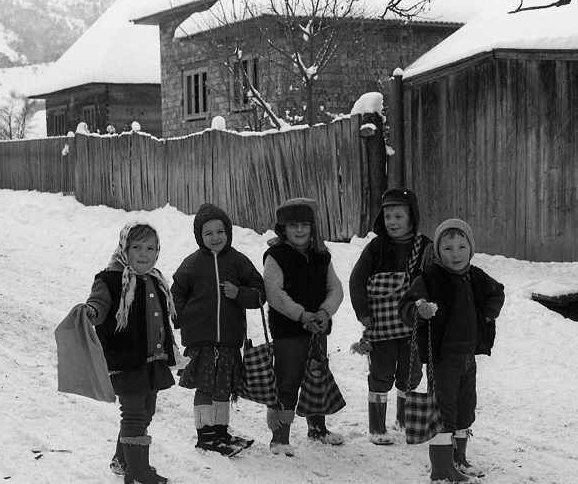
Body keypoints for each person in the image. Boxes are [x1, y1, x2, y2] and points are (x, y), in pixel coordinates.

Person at [400, 219, 505, 484]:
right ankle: (441, 469)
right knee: (443, 411)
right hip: (442, 358)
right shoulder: (430, 279)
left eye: (461, 246)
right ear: (437, 251)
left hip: (468, 356)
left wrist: (488, 315)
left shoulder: (476, 276)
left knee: (465, 409)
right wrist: (419, 311)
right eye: (447, 248)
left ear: (471, 249)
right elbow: (407, 306)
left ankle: (459, 458)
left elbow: (497, 293)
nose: (455, 254)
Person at [85, 222, 177, 484]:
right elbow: (100, 304)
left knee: (146, 410)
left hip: (151, 358)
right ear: (124, 249)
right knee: (134, 414)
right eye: (136, 247)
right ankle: (137, 471)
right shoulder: (110, 280)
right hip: (124, 359)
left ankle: (122, 459)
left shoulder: (155, 279)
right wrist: (92, 311)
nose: (144, 253)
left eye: (150, 248)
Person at [171, 203, 266, 457]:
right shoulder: (191, 264)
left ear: (229, 232)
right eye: (208, 233)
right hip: (200, 339)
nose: (215, 238)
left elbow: (259, 293)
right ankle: (206, 436)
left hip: (228, 339)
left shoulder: (238, 261)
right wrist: (180, 316)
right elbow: (177, 292)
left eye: (220, 232)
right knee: (205, 387)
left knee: (223, 388)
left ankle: (221, 433)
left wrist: (240, 294)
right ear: (199, 237)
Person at [349, 188, 433, 445]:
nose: (392, 222)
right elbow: (357, 279)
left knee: (410, 372)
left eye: (398, 216)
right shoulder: (376, 247)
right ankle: (377, 427)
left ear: (412, 218)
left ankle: (404, 419)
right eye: (387, 217)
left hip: (413, 326)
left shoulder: (426, 247)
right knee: (381, 372)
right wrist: (363, 313)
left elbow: (433, 281)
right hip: (381, 326)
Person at [263, 197, 344, 455]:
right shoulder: (276, 257)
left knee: (316, 375)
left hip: (317, 329)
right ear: (282, 229)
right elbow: (274, 293)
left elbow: (335, 288)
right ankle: (280, 436)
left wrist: (324, 312)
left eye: (304, 224)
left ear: (312, 227)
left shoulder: (321, 256)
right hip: (289, 332)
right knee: (287, 381)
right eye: (292, 225)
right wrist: (300, 315)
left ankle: (317, 428)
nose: (299, 230)